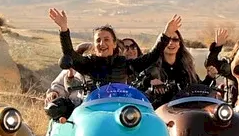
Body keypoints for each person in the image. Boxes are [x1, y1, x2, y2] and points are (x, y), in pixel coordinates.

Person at [46, 9, 181, 117]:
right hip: (91, 113)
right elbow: (70, 54)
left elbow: (152, 56)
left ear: (114, 43)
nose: (102, 44)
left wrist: (166, 34)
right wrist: (64, 29)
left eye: (106, 40)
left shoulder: (124, 64)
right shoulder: (87, 63)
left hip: (120, 112)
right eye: (98, 40)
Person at [136, 25, 207, 105]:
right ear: (161, 44)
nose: (171, 43)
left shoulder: (186, 68)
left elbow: (200, 89)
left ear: (180, 44)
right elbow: (138, 87)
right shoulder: (151, 67)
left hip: (184, 111)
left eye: (175, 40)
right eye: (167, 40)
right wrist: (148, 83)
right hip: (159, 111)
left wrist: (210, 77)